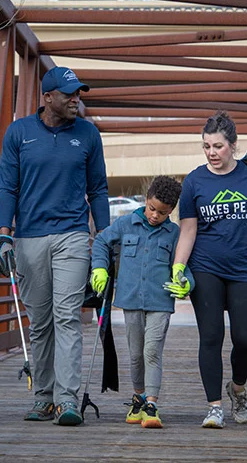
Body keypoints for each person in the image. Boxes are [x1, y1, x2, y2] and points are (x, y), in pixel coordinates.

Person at [0, 66, 110, 426]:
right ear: (47, 98)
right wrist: (3, 234)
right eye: (69, 94)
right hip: (29, 238)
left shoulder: (88, 135)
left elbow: (99, 190)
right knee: (41, 322)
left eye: (79, 93)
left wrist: (104, 238)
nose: (77, 99)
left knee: (67, 317)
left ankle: (66, 400)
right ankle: (43, 397)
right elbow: (8, 189)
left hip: (73, 235)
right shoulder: (19, 133)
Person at [172, 111, 247, 428]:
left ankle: (237, 387)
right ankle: (214, 407)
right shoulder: (195, 181)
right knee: (210, 336)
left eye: (218, 146)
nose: (211, 152)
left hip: (246, 268)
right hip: (206, 266)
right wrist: (179, 267)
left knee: (245, 338)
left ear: (233, 146)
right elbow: (188, 230)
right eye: (206, 146)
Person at [90, 176, 191, 429]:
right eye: (152, 209)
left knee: (152, 351)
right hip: (131, 300)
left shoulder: (175, 233)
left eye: (163, 213)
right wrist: (99, 269)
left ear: (172, 211)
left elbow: (186, 264)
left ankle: (152, 404)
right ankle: (138, 397)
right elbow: (102, 242)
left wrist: (187, 283)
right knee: (136, 355)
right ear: (146, 199)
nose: (155, 215)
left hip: (160, 302)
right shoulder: (126, 223)